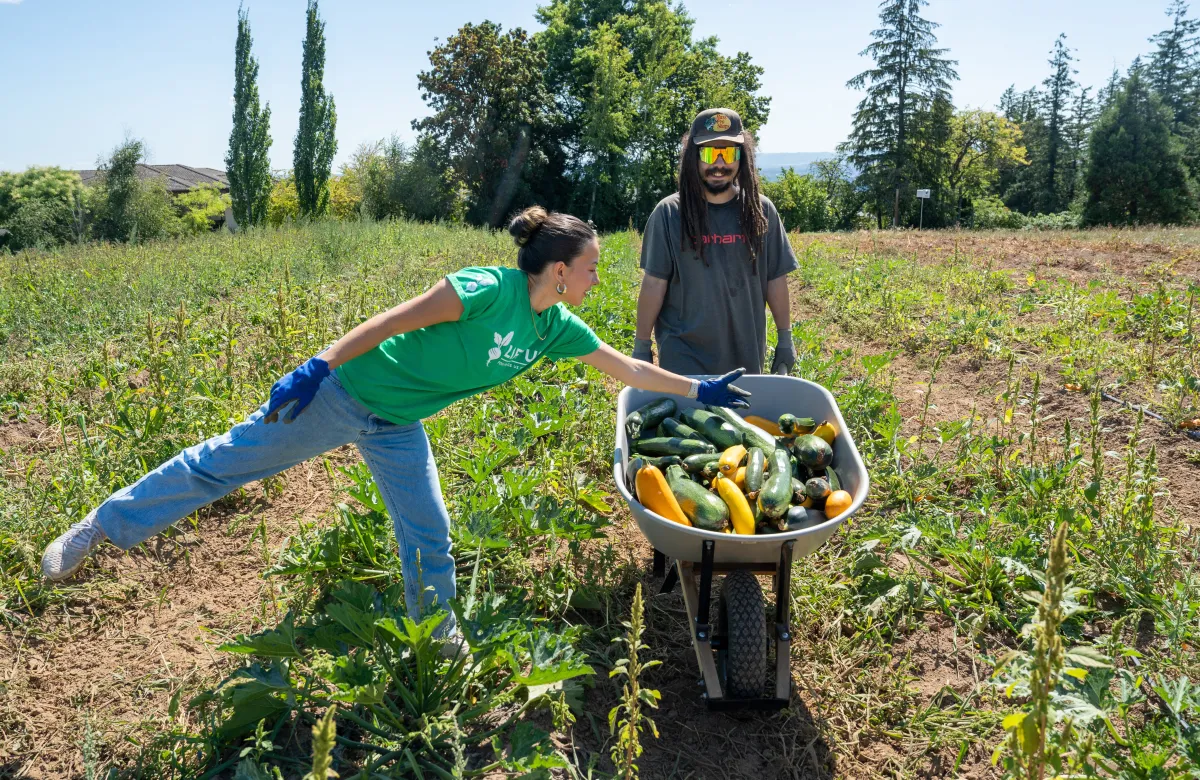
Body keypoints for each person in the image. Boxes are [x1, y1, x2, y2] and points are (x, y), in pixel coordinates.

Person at [40, 207, 750, 649]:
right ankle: (103, 523)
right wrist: (315, 366)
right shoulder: (482, 290)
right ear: (559, 269)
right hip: (345, 396)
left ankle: (436, 640)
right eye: (593, 269)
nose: (599, 280)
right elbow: (388, 322)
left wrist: (699, 389)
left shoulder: (555, 325)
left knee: (428, 529)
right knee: (224, 462)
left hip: (397, 423)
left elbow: (625, 368)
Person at [633, 107, 800, 376]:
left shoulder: (760, 211)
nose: (719, 164)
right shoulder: (669, 214)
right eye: (710, 153)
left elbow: (775, 280)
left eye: (729, 153)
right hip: (683, 357)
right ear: (693, 158)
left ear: (742, 157)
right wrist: (642, 345)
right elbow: (654, 284)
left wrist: (785, 338)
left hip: (745, 354)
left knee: (741, 419)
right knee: (688, 419)